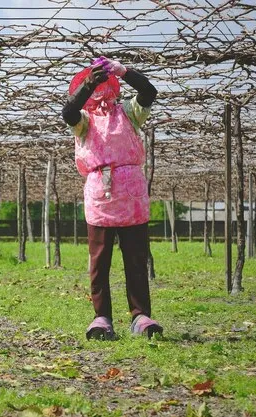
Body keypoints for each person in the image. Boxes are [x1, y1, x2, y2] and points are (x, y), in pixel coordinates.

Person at [61, 57, 163, 340]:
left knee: (135, 258)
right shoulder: (84, 121)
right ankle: (102, 317)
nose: (101, 94)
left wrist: (125, 71)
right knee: (99, 260)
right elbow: (68, 112)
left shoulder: (129, 113)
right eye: (95, 88)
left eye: (105, 86)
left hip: (131, 196)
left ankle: (140, 315)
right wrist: (87, 85)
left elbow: (149, 93)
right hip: (100, 197)